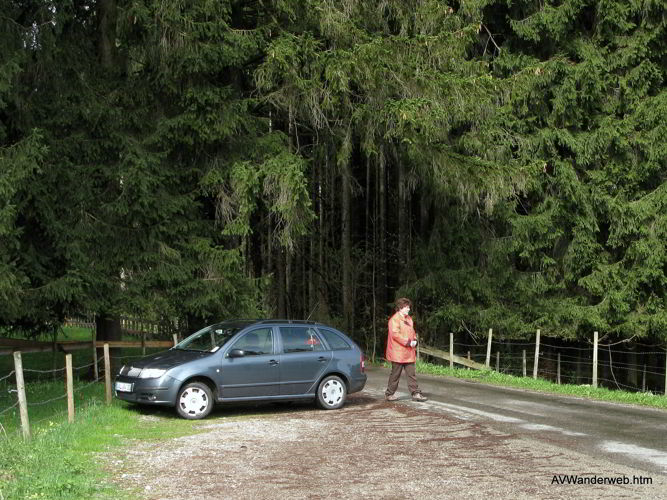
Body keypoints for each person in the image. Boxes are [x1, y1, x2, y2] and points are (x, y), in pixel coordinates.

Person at [384, 297, 427, 402]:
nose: (408, 309)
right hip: (397, 353)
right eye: (407, 307)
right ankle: (389, 394)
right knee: (395, 374)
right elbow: (395, 335)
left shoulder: (409, 319)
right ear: (400, 308)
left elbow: (412, 332)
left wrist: (415, 340)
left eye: (408, 307)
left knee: (411, 374)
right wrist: (408, 342)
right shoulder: (394, 319)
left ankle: (416, 393)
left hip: (408, 352)